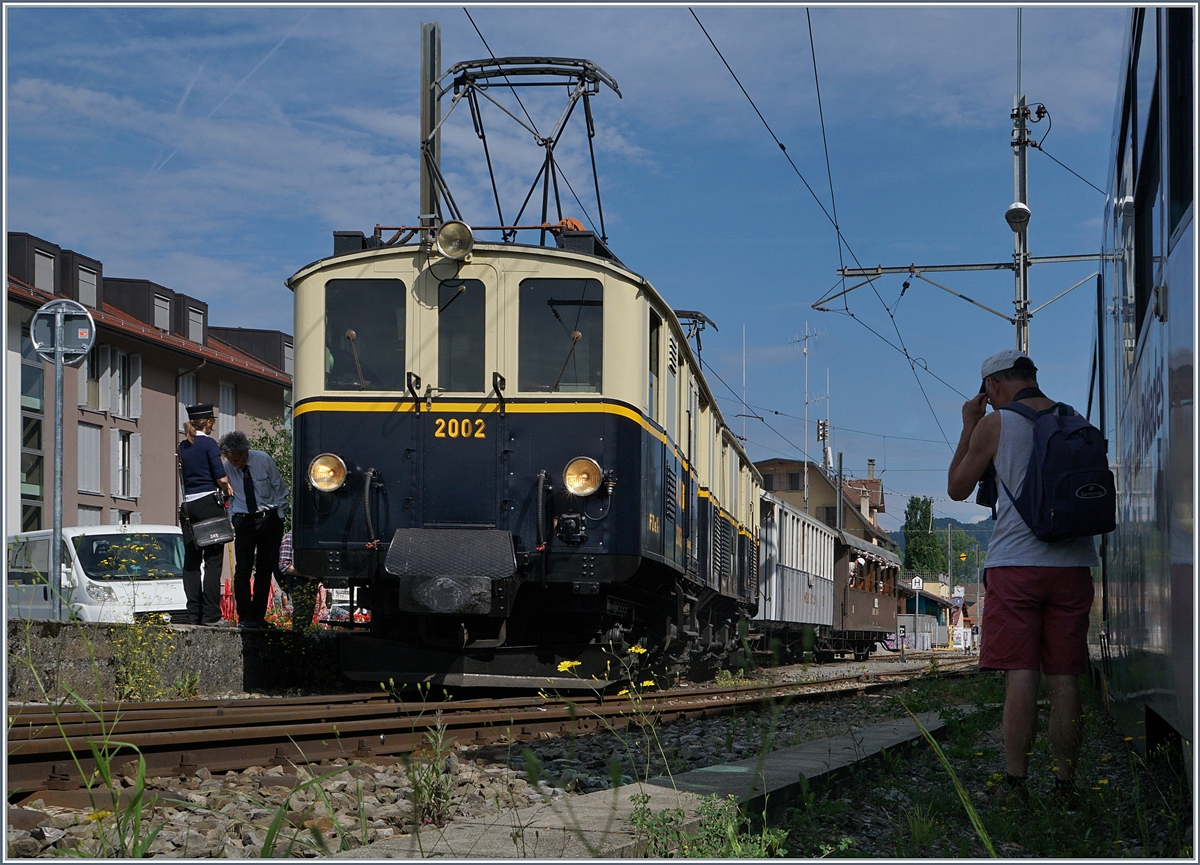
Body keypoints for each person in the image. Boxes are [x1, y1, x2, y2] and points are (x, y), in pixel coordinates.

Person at [947, 350, 1098, 806]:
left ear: (992, 387)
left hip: (1017, 565)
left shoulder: (996, 425)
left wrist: (968, 424)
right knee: (1065, 677)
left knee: (1021, 675)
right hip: (1073, 565)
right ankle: (1066, 785)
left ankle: (1016, 785)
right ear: (1031, 377)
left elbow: (957, 487)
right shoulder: (1076, 421)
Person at [219, 430, 289, 629]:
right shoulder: (228, 467)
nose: (236, 464)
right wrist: (234, 517)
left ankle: (258, 615)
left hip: (269, 518)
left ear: (246, 452)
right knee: (243, 569)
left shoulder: (263, 460)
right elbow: (229, 496)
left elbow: (280, 488)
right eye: (232, 460)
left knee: (265, 568)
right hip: (244, 520)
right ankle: (245, 615)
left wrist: (279, 516)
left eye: (238, 459)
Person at [178, 404, 235, 625]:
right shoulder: (209, 444)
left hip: (188, 508)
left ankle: (193, 614)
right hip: (209, 504)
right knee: (213, 562)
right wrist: (227, 488)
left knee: (191, 562)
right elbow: (220, 477)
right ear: (208, 422)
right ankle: (211, 615)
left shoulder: (183, 446)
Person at [277, 529, 318, 630]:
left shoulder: (310, 537)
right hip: (297, 581)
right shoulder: (290, 537)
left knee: (308, 614)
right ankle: (298, 638)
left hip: (310, 581)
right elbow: (284, 565)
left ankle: (303, 637)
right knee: (301, 613)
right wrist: (306, 575)